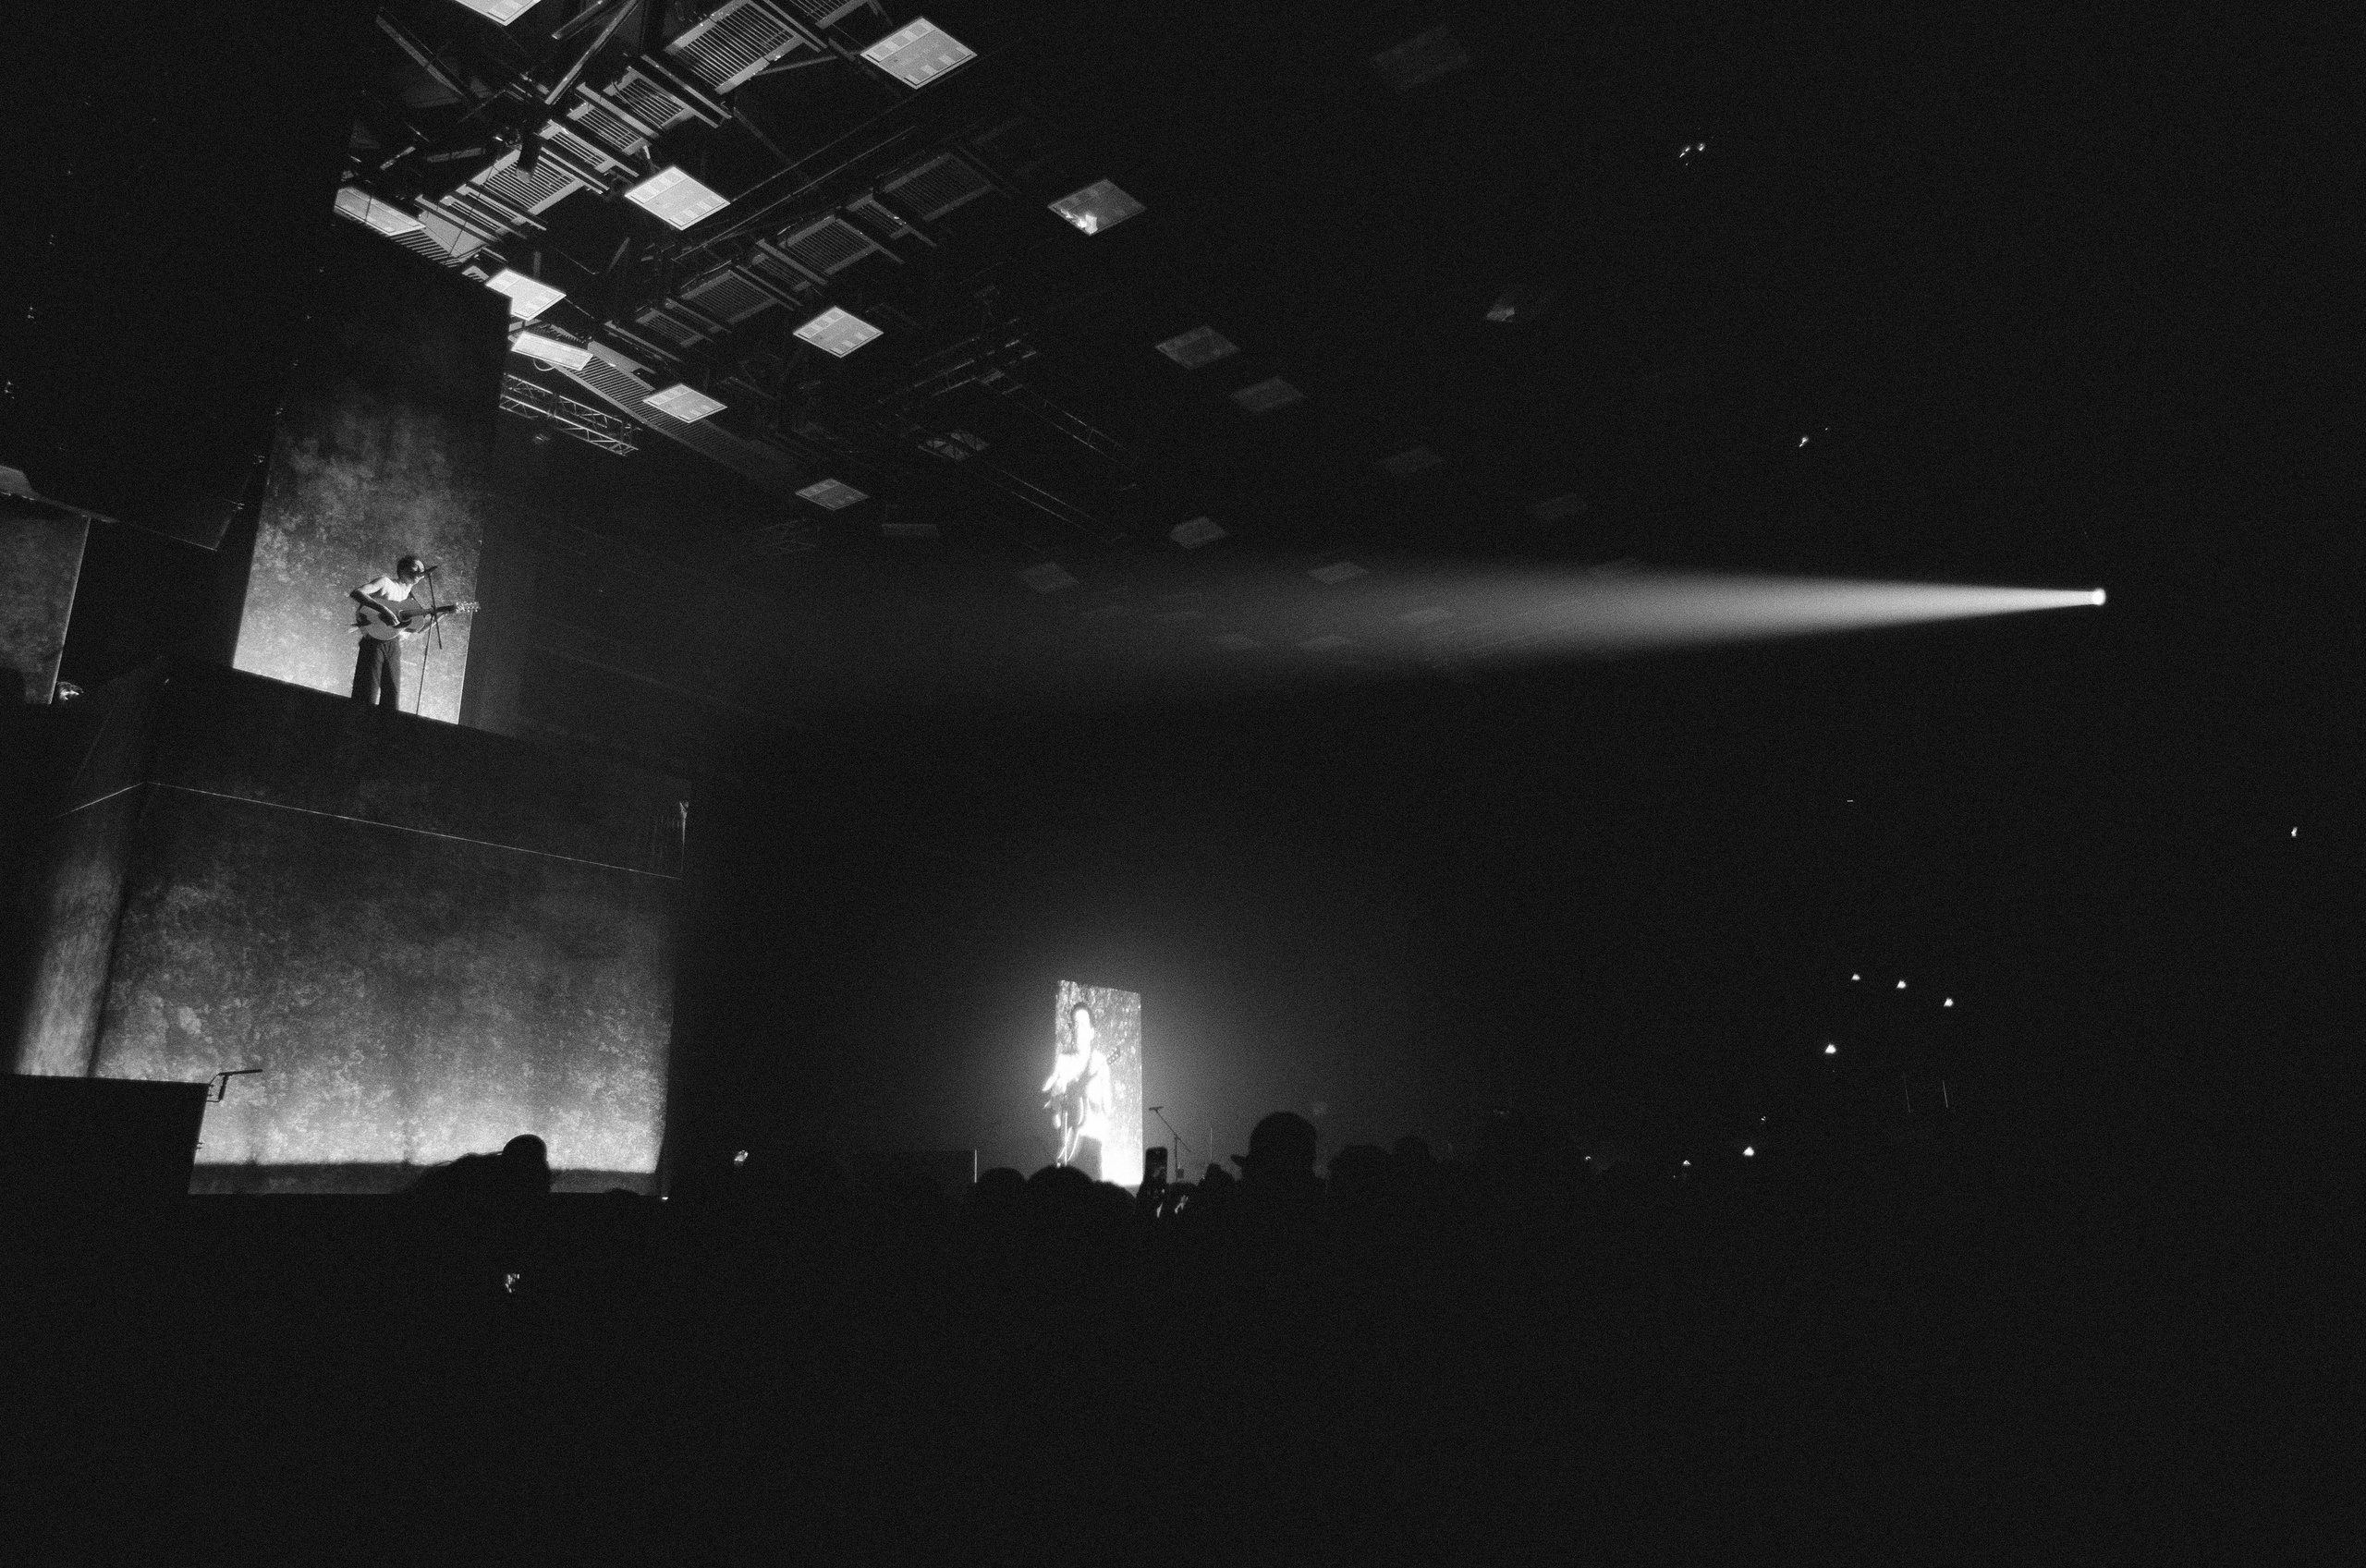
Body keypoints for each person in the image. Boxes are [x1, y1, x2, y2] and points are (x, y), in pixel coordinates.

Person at [1043, 1000, 1113, 1180]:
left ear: (1092, 1032)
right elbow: (1052, 1106)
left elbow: (1108, 1109)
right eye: (1075, 1024)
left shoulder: (1100, 1060)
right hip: (1067, 1146)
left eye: (1083, 1024)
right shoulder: (1063, 1060)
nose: (1078, 1029)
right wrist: (1061, 1133)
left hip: (1091, 1145)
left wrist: (1104, 1082)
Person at [348, 555, 429, 707]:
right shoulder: (386, 583)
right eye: (415, 567)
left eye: (422, 570)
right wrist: (382, 609)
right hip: (374, 643)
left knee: (392, 695)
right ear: (402, 569)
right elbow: (357, 592)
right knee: (366, 692)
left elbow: (418, 629)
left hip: (394, 646)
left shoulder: (412, 601)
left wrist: (443, 613)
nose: (419, 572)